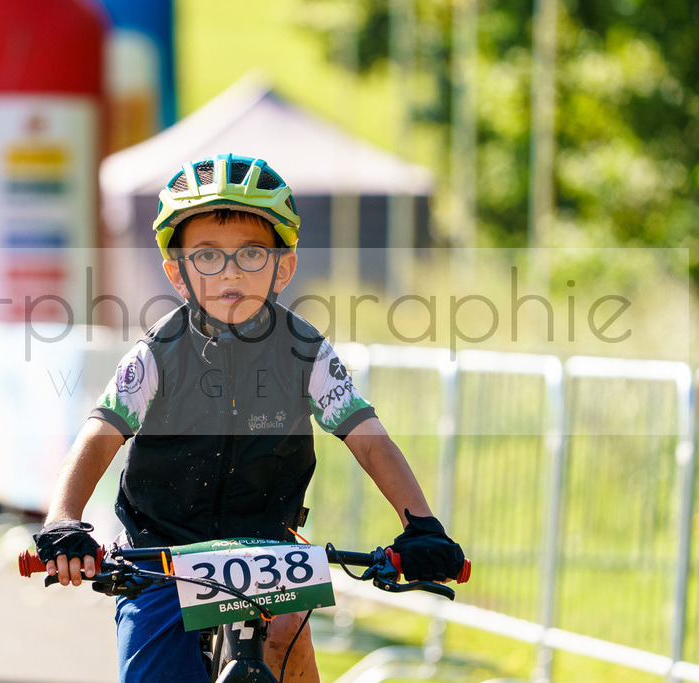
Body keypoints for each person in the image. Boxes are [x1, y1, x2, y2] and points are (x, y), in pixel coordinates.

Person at [32, 154, 466, 682]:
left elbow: (370, 440)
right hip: (161, 553)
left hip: (267, 549)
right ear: (177, 272)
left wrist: (421, 525)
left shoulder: (307, 352)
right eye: (208, 256)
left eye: (252, 254)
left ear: (284, 266)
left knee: (287, 635)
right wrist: (63, 520)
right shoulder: (156, 353)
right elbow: (100, 435)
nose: (231, 272)